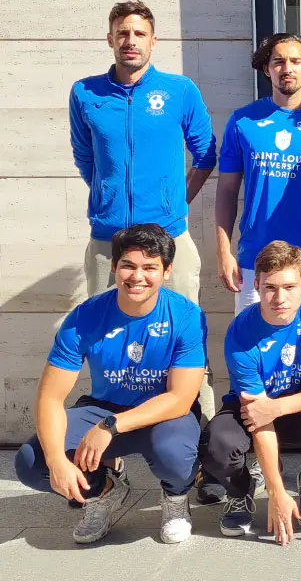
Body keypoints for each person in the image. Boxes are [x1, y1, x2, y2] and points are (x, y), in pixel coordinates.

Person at [68, 0, 218, 490]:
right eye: (121, 32)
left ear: (154, 42)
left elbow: (206, 149)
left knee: (187, 340)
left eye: (139, 33)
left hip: (169, 237)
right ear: (110, 39)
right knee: (103, 344)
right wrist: (110, 199)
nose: (130, 40)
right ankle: (106, 462)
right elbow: (85, 155)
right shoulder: (86, 94)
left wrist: (178, 202)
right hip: (107, 238)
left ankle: (207, 456)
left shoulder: (179, 91)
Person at [14, 225, 208, 545]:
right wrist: (56, 461)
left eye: (150, 267)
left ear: (167, 271)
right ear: (115, 267)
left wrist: (110, 426)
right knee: (31, 463)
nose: (137, 276)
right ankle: (103, 492)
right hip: (103, 406)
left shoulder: (186, 316)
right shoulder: (85, 317)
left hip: (162, 411)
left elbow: (180, 398)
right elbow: (49, 397)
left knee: (175, 454)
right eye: (128, 265)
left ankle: (175, 500)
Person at [200, 241, 301, 543]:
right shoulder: (241, 332)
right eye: (270, 287)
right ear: (256, 285)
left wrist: (279, 407)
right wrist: (276, 491)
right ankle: (240, 492)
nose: (280, 298)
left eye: (289, 287)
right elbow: (258, 415)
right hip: (252, 410)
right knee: (217, 444)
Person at [215, 33, 301, 315]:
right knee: (254, 354)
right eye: (278, 62)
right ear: (266, 69)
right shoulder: (243, 121)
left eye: (296, 61)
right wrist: (224, 252)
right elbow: (226, 190)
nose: (287, 68)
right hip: (256, 264)